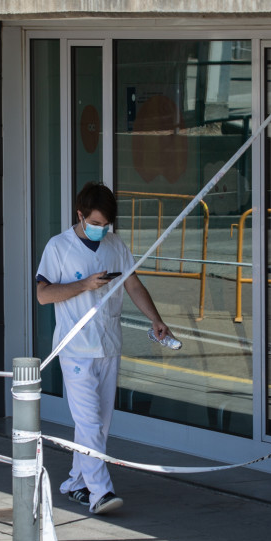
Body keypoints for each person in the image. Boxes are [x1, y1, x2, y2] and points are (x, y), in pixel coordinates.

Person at [35, 182, 172, 515]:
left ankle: (76, 483)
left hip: (109, 345)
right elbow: (43, 294)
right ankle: (101, 493)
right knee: (90, 423)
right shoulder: (59, 247)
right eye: (94, 223)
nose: (100, 229)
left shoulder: (115, 245)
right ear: (80, 216)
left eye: (105, 224)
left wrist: (156, 319)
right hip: (76, 348)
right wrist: (84, 285)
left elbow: (134, 285)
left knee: (99, 425)